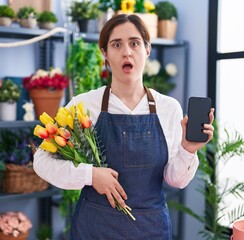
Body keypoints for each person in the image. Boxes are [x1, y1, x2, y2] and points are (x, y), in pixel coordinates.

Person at [34, 14, 215, 240]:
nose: (126, 52)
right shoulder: (84, 105)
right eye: (116, 44)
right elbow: (42, 161)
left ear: (147, 50)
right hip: (95, 229)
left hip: (151, 229)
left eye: (134, 43)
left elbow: (175, 180)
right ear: (105, 54)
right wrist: (90, 175)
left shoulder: (168, 108)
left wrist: (188, 149)